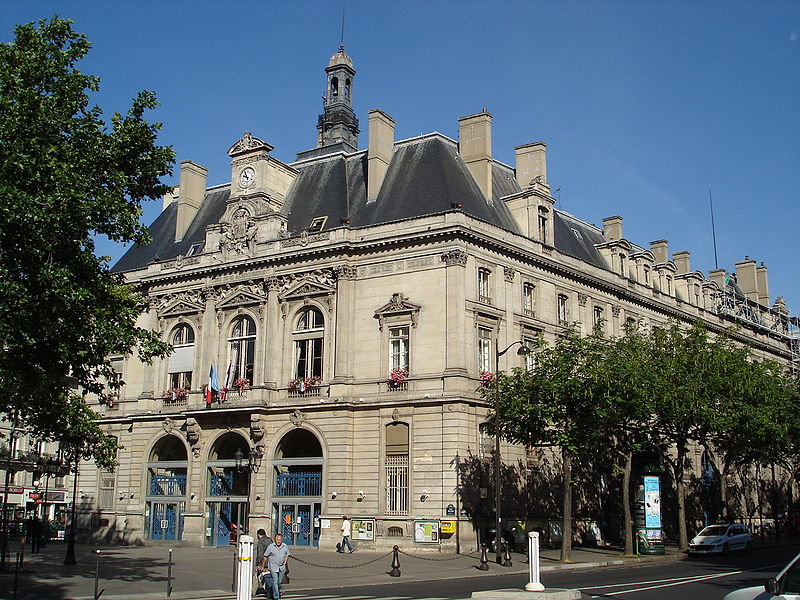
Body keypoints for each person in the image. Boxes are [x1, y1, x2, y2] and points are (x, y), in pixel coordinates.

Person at [261, 533, 290, 599]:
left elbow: (287, 555)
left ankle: (276, 589)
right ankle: (276, 596)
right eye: (277, 540)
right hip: (273, 566)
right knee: (275, 581)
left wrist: (285, 563)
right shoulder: (271, 547)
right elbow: (265, 556)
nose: (279, 541)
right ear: (275, 540)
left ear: (282, 539)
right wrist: (262, 565)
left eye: (280, 540)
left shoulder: (285, 546)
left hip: (282, 567)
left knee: (279, 582)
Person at [254, 529, 272, 593]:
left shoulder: (260, 542)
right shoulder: (270, 540)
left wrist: (259, 564)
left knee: (258, 576)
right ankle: (270, 589)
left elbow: (260, 554)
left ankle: (256, 590)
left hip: (263, 562)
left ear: (258, 534)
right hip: (270, 562)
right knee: (269, 576)